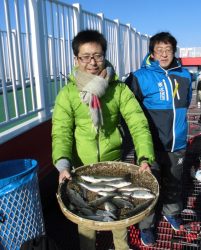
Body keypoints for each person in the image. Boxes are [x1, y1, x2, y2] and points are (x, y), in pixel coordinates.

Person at [51, 30, 155, 250]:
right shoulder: (67, 94)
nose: (92, 62)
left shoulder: (119, 90)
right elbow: (61, 131)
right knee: (85, 217)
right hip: (82, 167)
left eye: (97, 55)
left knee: (118, 217)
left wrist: (145, 157)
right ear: (76, 59)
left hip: (113, 165)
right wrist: (62, 163)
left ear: (105, 56)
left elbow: (138, 123)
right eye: (85, 56)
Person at [125, 32, 192, 246]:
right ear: (152, 53)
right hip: (150, 146)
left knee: (174, 182)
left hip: (177, 143)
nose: (164, 54)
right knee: (147, 187)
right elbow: (129, 110)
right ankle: (146, 226)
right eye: (159, 50)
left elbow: (188, 102)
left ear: (174, 51)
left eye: (168, 50)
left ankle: (172, 213)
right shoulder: (139, 76)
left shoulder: (186, 75)